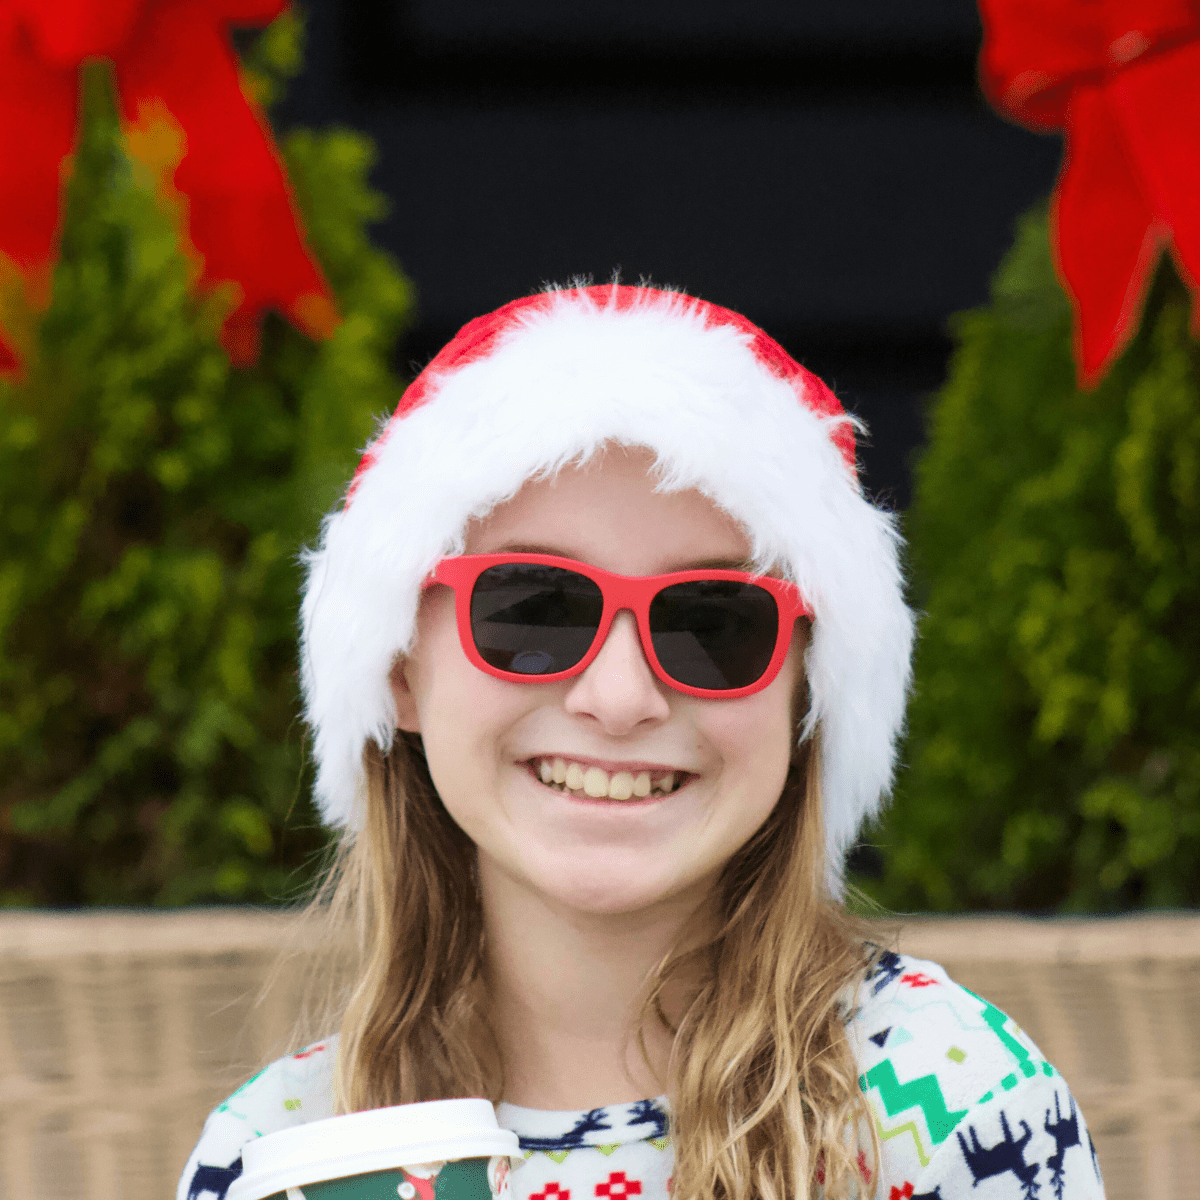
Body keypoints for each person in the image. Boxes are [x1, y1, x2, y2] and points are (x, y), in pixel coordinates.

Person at [178, 284, 1105, 1200]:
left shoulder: (957, 1111)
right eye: (533, 609)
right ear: (398, 669)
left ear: (807, 693)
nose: (619, 697)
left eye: (714, 622)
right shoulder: (276, 1159)